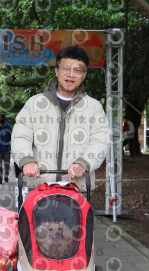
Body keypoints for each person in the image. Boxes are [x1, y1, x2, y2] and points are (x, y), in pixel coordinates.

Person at [11, 46, 110, 189]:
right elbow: (20, 137)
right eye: (66, 69)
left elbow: (101, 141)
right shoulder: (34, 103)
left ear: (84, 75)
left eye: (77, 70)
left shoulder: (94, 107)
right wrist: (27, 160)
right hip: (39, 187)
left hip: (78, 189)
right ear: (57, 71)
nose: (71, 75)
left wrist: (83, 163)